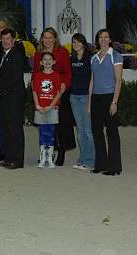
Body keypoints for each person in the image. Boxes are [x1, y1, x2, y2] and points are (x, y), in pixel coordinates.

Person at [0, 19, 28, 162]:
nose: (5, 41)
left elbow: (15, 78)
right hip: (5, 97)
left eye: (8, 39)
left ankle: (17, 160)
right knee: (6, 128)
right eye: (3, 39)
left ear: (13, 40)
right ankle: (8, 158)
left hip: (14, 97)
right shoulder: (4, 54)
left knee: (15, 129)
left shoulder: (16, 55)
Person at [34, 27, 74, 166]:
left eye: (50, 37)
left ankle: (61, 151)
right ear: (42, 39)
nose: (48, 40)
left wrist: (64, 86)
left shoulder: (63, 52)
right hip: (44, 94)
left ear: (55, 38)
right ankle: (46, 152)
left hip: (60, 92)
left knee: (60, 124)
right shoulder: (38, 54)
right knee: (45, 125)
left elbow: (68, 73)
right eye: (45, 37)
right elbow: (35, 74)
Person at [89, 29, 123, 176]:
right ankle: (100, 164)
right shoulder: (94, 58)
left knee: (112, 132)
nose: (103, 39)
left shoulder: (115, 55)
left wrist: (114, 102)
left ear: (110, 40)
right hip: (96, 98)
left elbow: (118, 81)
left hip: (109, 97)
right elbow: (92, 81)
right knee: (97, 133)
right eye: (100, 37)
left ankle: (114, 167)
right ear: (98, 40)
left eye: (106, 37)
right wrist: (89, 103)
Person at [32, 52, 64, 168]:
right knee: (42, 133)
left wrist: (50, 106)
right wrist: (37, 106)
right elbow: (35, 91)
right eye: (44, 59)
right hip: (40, 109)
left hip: (52, 108)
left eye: (50, 59)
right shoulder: (38, 75)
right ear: (41, 62)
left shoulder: (56, 75)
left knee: (50, 133)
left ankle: (50, 157)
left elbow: (58, 93)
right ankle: (42, 156)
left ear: (54, 62)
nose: (47, 61)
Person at [70, 33, 95, 171]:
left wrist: (91, 98)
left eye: (78, 42)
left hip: (86, 96)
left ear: (83, 43)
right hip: (74, 97)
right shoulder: (71, 58)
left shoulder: (90, 58)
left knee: (88, 131)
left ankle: (90, 161)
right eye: (73, 42)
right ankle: (82, 159)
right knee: (80, 131)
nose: (76, 44)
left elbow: (93, 78)